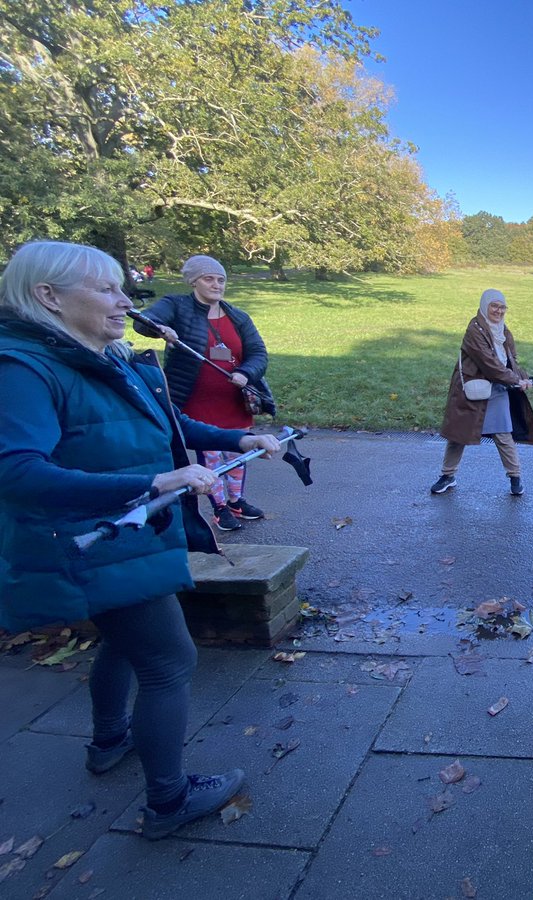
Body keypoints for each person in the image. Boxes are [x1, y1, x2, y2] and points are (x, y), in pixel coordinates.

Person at [0, 241, 281, 839]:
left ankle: (108, 742)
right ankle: (168, 799)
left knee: (128, 642)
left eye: (122, 288)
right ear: (47, 297)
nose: (124, 301)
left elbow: (165, 423)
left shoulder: (104, 354)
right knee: (169, 659)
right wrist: (154, 479)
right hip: (93, 542)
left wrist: (238, 441)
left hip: (130, 536)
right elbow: (16, 473)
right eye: (105, 290)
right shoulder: (23, 368)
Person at [131, 255, 274, 532]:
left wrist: (246, 373)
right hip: (196, 402)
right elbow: (142, 321)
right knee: (210, 458)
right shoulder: (177, 306)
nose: (216, 284)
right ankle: (219, 508)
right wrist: (160, 329)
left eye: (221, 280)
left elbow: (258, 353)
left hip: (234, 401)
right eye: (209, 279)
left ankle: (236, 500)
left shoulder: (238, 316)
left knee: (237, 454)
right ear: (194, 281)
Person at [431, 288, 533, 496]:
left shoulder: (503, 331)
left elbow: (510, 361)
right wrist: (515, 380)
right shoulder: (474, 330)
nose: (499, 311)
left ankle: (515, 478)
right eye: (494, 306)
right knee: (458, 435)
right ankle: (447, 476)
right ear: (484, 306)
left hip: (497, 387)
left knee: (502, 433)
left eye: (502, 307)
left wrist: (523, 377)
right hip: (472, 388)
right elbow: (489, 364)